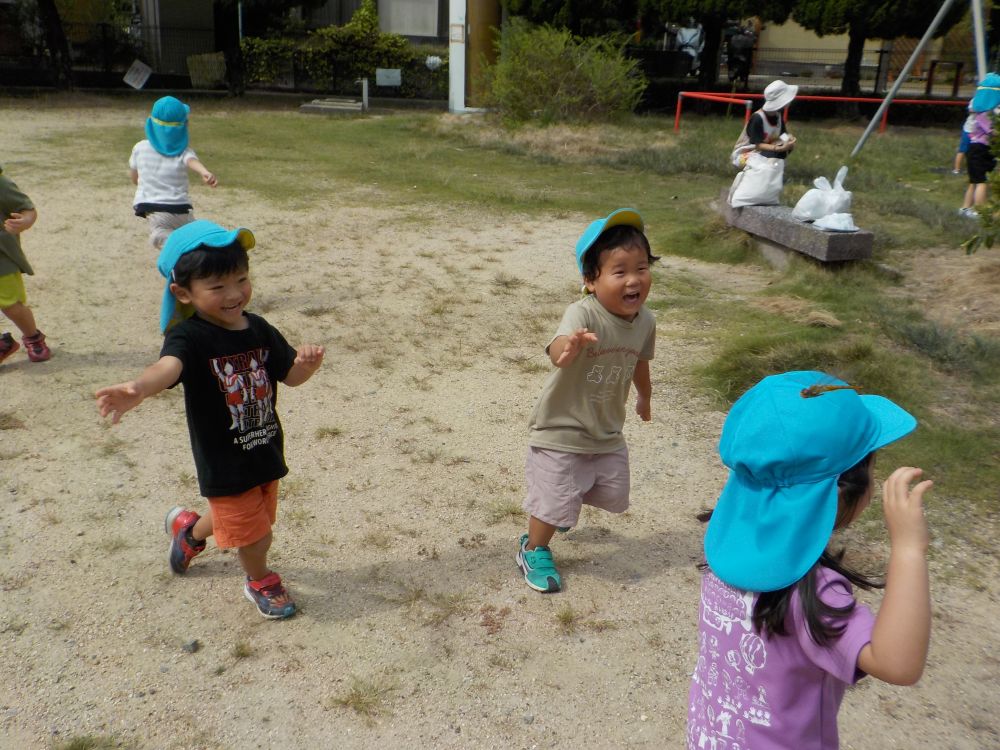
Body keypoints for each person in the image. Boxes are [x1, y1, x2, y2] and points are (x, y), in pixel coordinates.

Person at [688, 371, 932, 749]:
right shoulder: (815, 591)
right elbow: (897, 664)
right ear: (843, 490)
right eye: (870, 465)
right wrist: (909, 550)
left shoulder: (724, 546)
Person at [95, 220, 324, 619]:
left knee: (250, 514)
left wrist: (307, 366)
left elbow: (291, 376)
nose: (234, 294)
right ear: (183, 292)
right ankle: (259, 580)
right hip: (224, 459)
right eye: (217, 287)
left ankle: (188, 532)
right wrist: (139, 388)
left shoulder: (259, 328)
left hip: (263, 444)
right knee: (256, 533)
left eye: (241, 279)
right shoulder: (190, 337)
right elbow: (167, 367)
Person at [516, 209, 657, 593]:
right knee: (553, 500)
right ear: (590, 281)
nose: (633, 280)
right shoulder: (583, 314)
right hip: (561, 427)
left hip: (606, 429)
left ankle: (559, 508)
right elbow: (558, 348)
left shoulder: (646, 321)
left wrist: (644, 396)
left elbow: (640, 360)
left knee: (612, 492)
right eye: (619, 271)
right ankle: (533, 547)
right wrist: (568, 349)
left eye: (641, 268)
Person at [129, 96, 218, 251]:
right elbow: (191, 161)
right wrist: (205, 172)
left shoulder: (140, 148)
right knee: (192, 238)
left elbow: (134, 178)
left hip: (156, 210)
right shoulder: (183, 152)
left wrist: (140, 181)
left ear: (150, 124)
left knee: (164, 235)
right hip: (182, 209)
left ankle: (165, 239)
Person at [0, 165, 51, 364]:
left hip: (1, 258)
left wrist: (25, 221)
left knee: (11, 305)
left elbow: (27, 209)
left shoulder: (1, 184)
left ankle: (33, 337)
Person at [959, 72, 1000, 219]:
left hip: (977, 148)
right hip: (982, 148)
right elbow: (992, 132)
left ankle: (968, 208)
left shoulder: (980, 113)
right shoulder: (988, 115)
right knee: (980, 181)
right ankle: (977, 210)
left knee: (976, 180)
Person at [731, 79, 798, 169]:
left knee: (781, 149)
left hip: (764, 151)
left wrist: (788, 139)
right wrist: (779, 148)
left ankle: (772, 168)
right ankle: (764, 168)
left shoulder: (778, 116)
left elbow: (782, 134)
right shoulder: (758, 118)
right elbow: (758, 144)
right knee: (773, 152)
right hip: (747, 154)